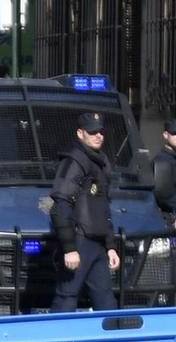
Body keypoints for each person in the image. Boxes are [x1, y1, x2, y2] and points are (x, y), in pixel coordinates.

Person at [49, 112, 119, 313]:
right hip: (79, 240)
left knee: (105, 299)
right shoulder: (74, 161)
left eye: (101, 132)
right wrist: (70, 247)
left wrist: (110, 246)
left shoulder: (100, 161)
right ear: (80, 134)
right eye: (93, 132)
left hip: (97, 244)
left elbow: (103, 208)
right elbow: (60, 206)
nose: (99, 136)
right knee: (67, 297)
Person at [152, 119, 176, 219]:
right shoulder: (161, 160)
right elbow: (163, 195)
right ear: (165, 135)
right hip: (169, 217)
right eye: (175, 133)